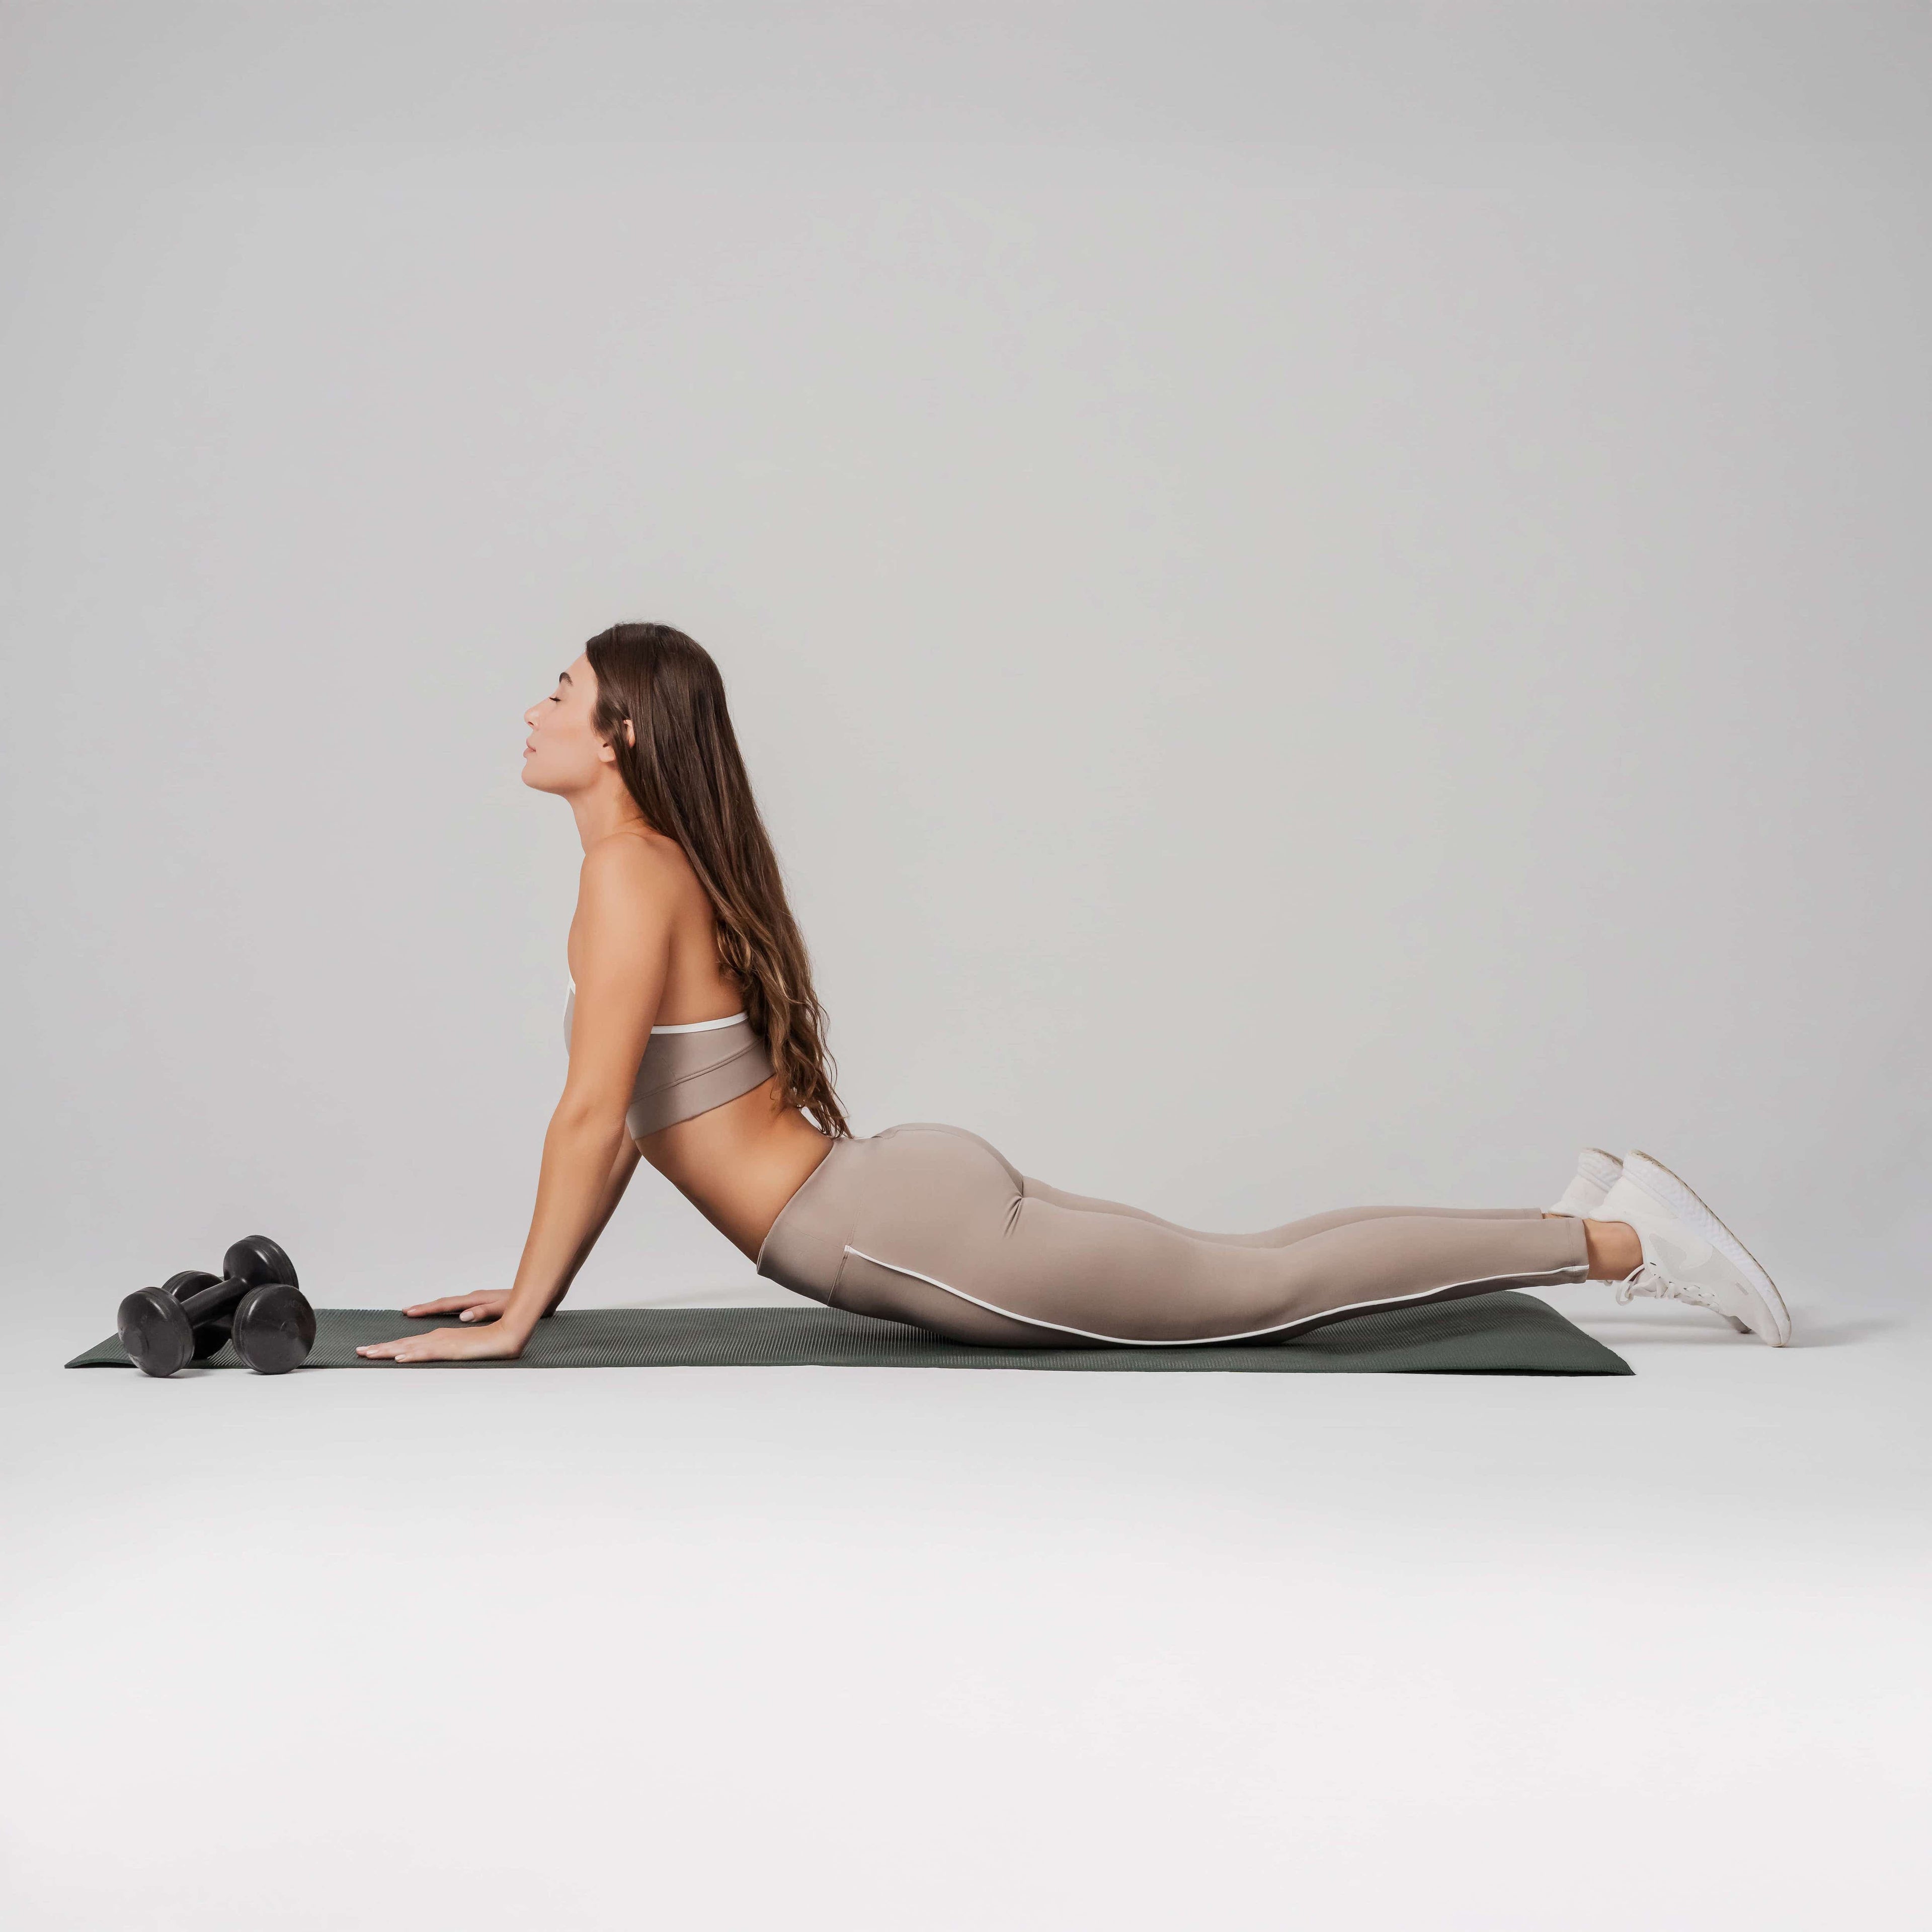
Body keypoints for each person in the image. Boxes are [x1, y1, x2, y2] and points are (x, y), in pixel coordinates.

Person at [356, 623, 1791, 1364]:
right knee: (1260, 1260)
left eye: (561, 690)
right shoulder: (654, 871)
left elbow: (596, 1109)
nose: (535, 709)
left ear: (618, 738)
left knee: (1265, 1294)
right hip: (893, 1196)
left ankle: (1618, 1242)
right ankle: (1588, 1209)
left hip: (885, 1227)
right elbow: (620, 1125)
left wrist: (524, 1318)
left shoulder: (629, 878)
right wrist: (534, 1290)